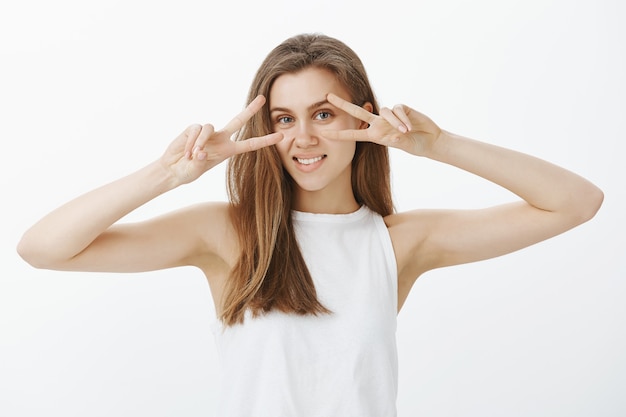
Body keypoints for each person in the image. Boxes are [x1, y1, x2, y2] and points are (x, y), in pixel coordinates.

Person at [17, 33, 603, 416]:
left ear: (363, 119)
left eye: (324, 113)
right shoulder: (227, 234)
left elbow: (576, 202)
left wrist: (438, 144)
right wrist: (167, 175)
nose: (303, 138)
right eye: (283, 118)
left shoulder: (398, 243)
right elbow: (43, 248)